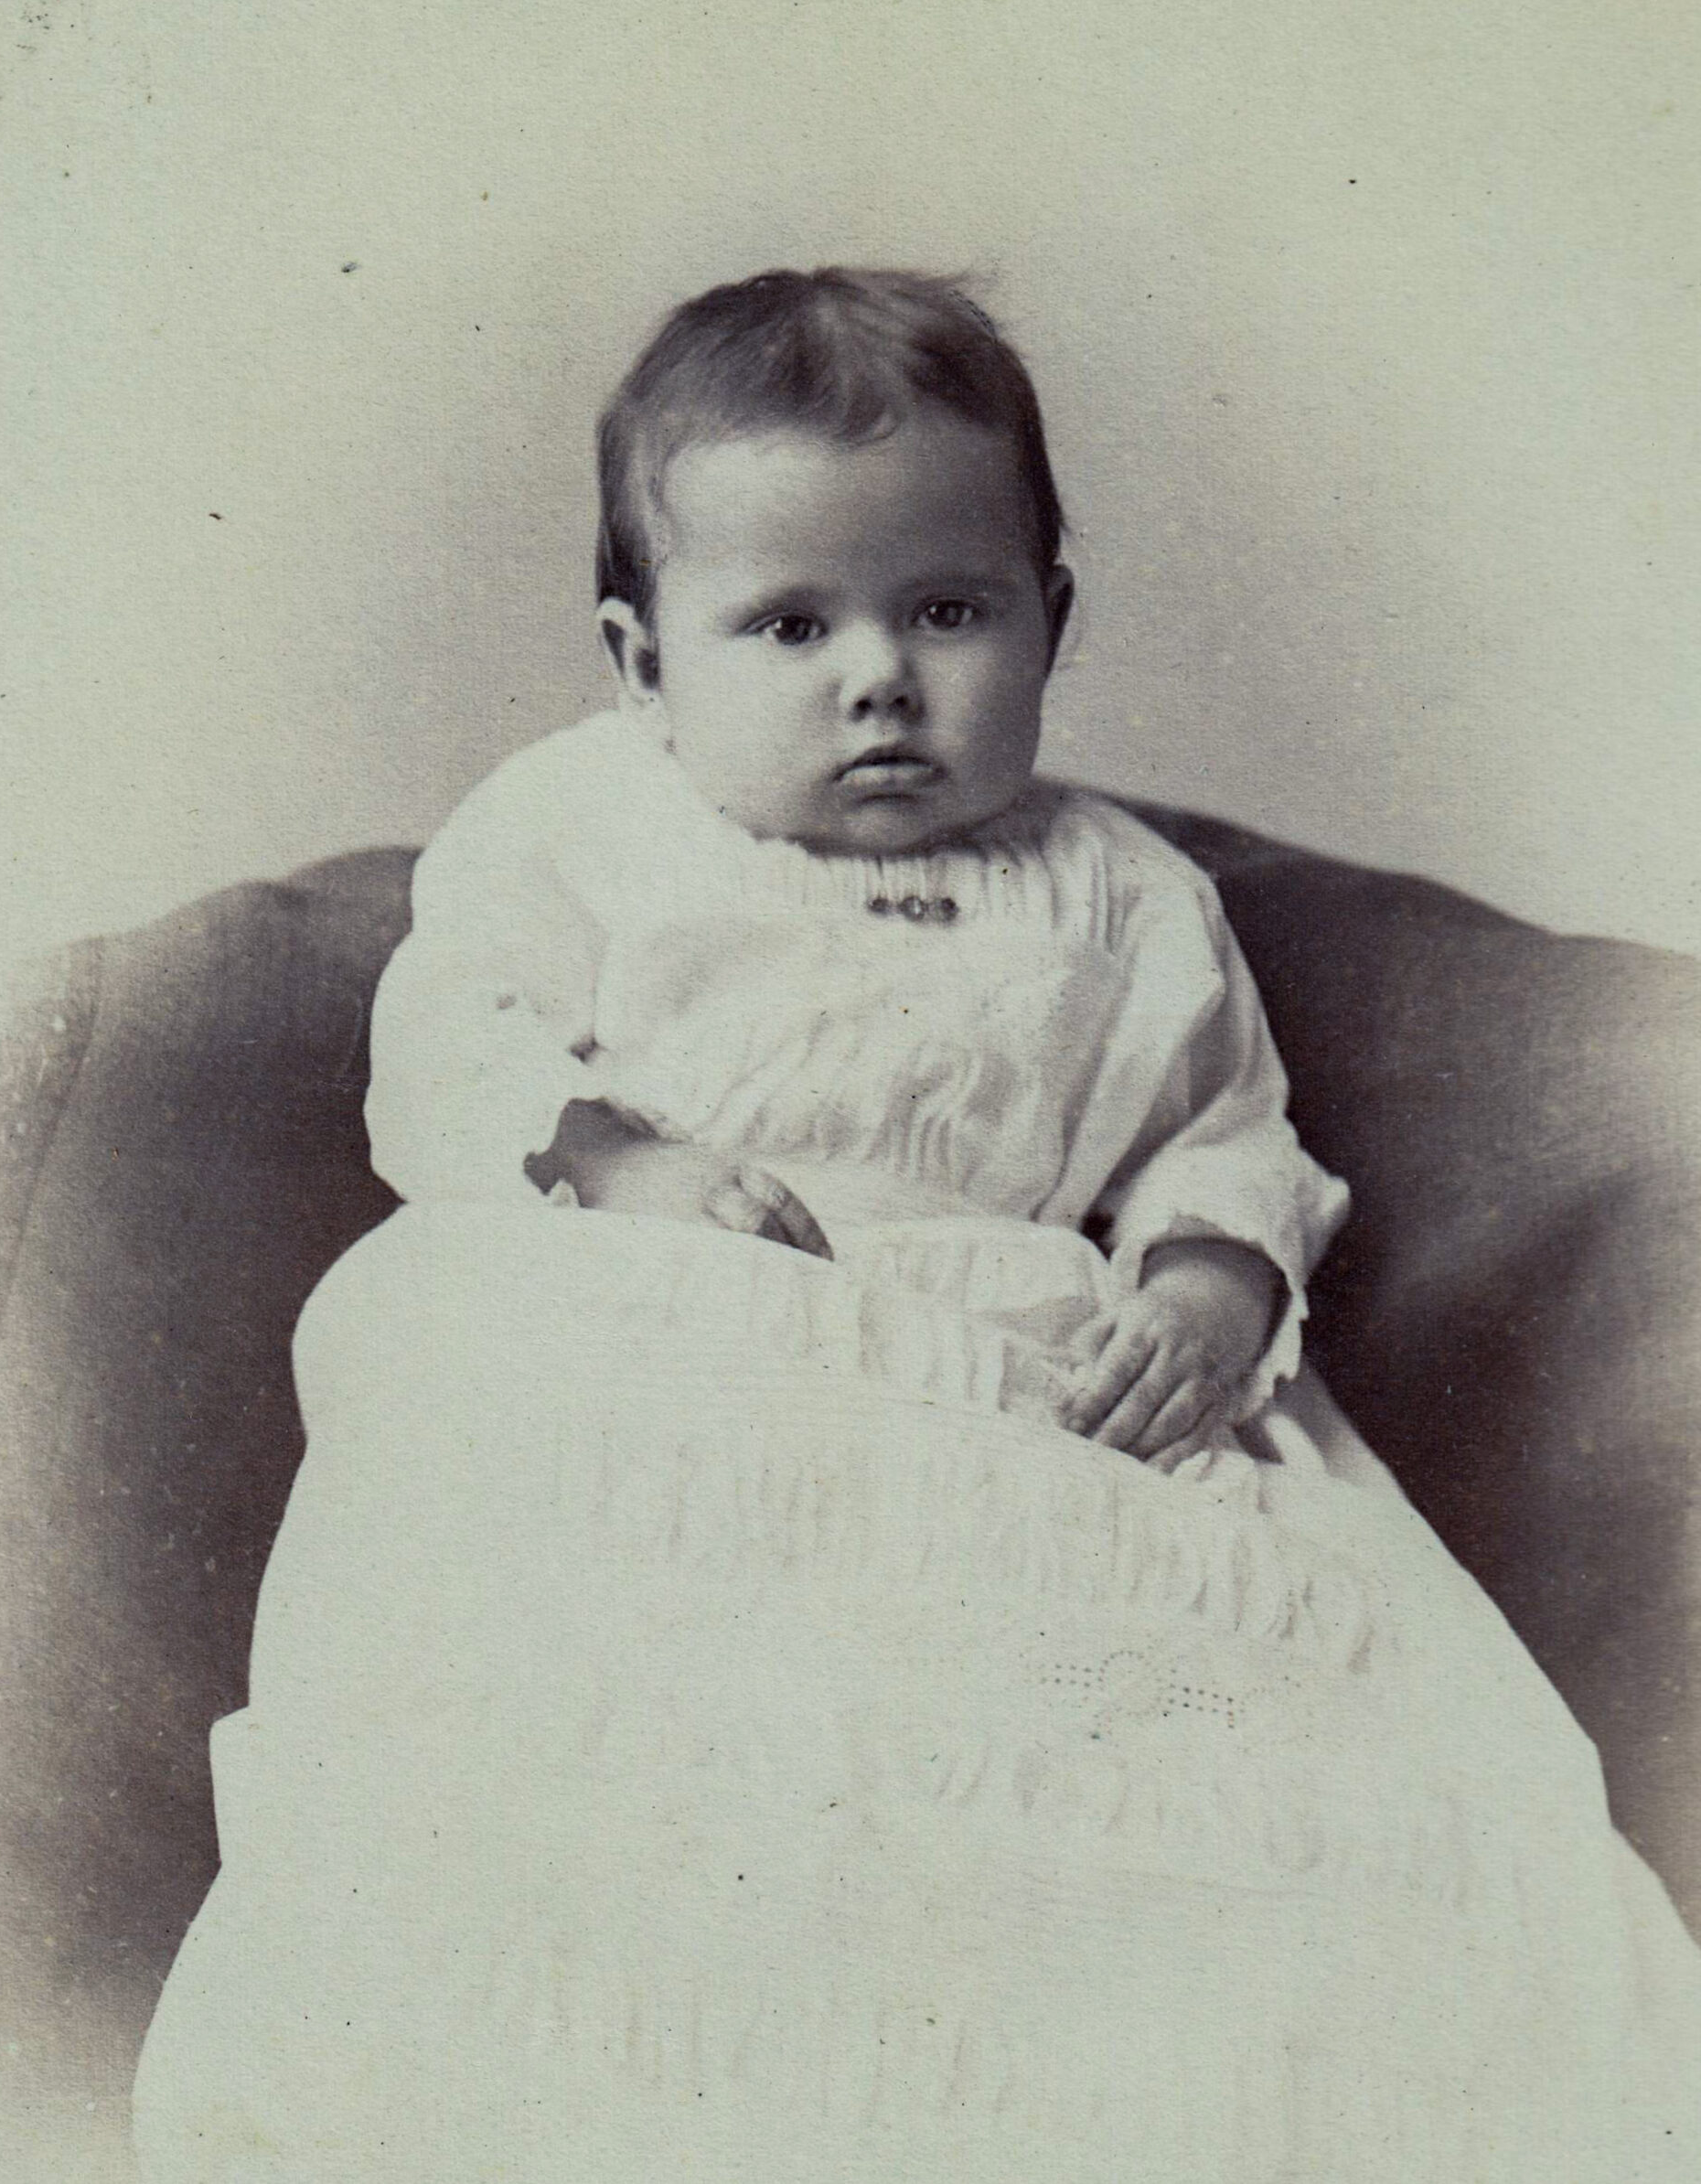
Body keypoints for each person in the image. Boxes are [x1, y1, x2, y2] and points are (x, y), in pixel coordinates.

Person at [133, 269, 1701, 2182]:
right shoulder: (577, 827)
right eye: (786, 624)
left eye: (947, 610)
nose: (876, 675)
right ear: (641, 662)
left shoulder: (1121, 894)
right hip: (666, 1341)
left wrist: (1206, 1288)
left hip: (1004, 1375)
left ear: (1053, 622)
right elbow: (448, 1048)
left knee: (1207, 1693)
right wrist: (621, 1167)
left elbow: (1220, 1134)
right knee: (508, 1488)